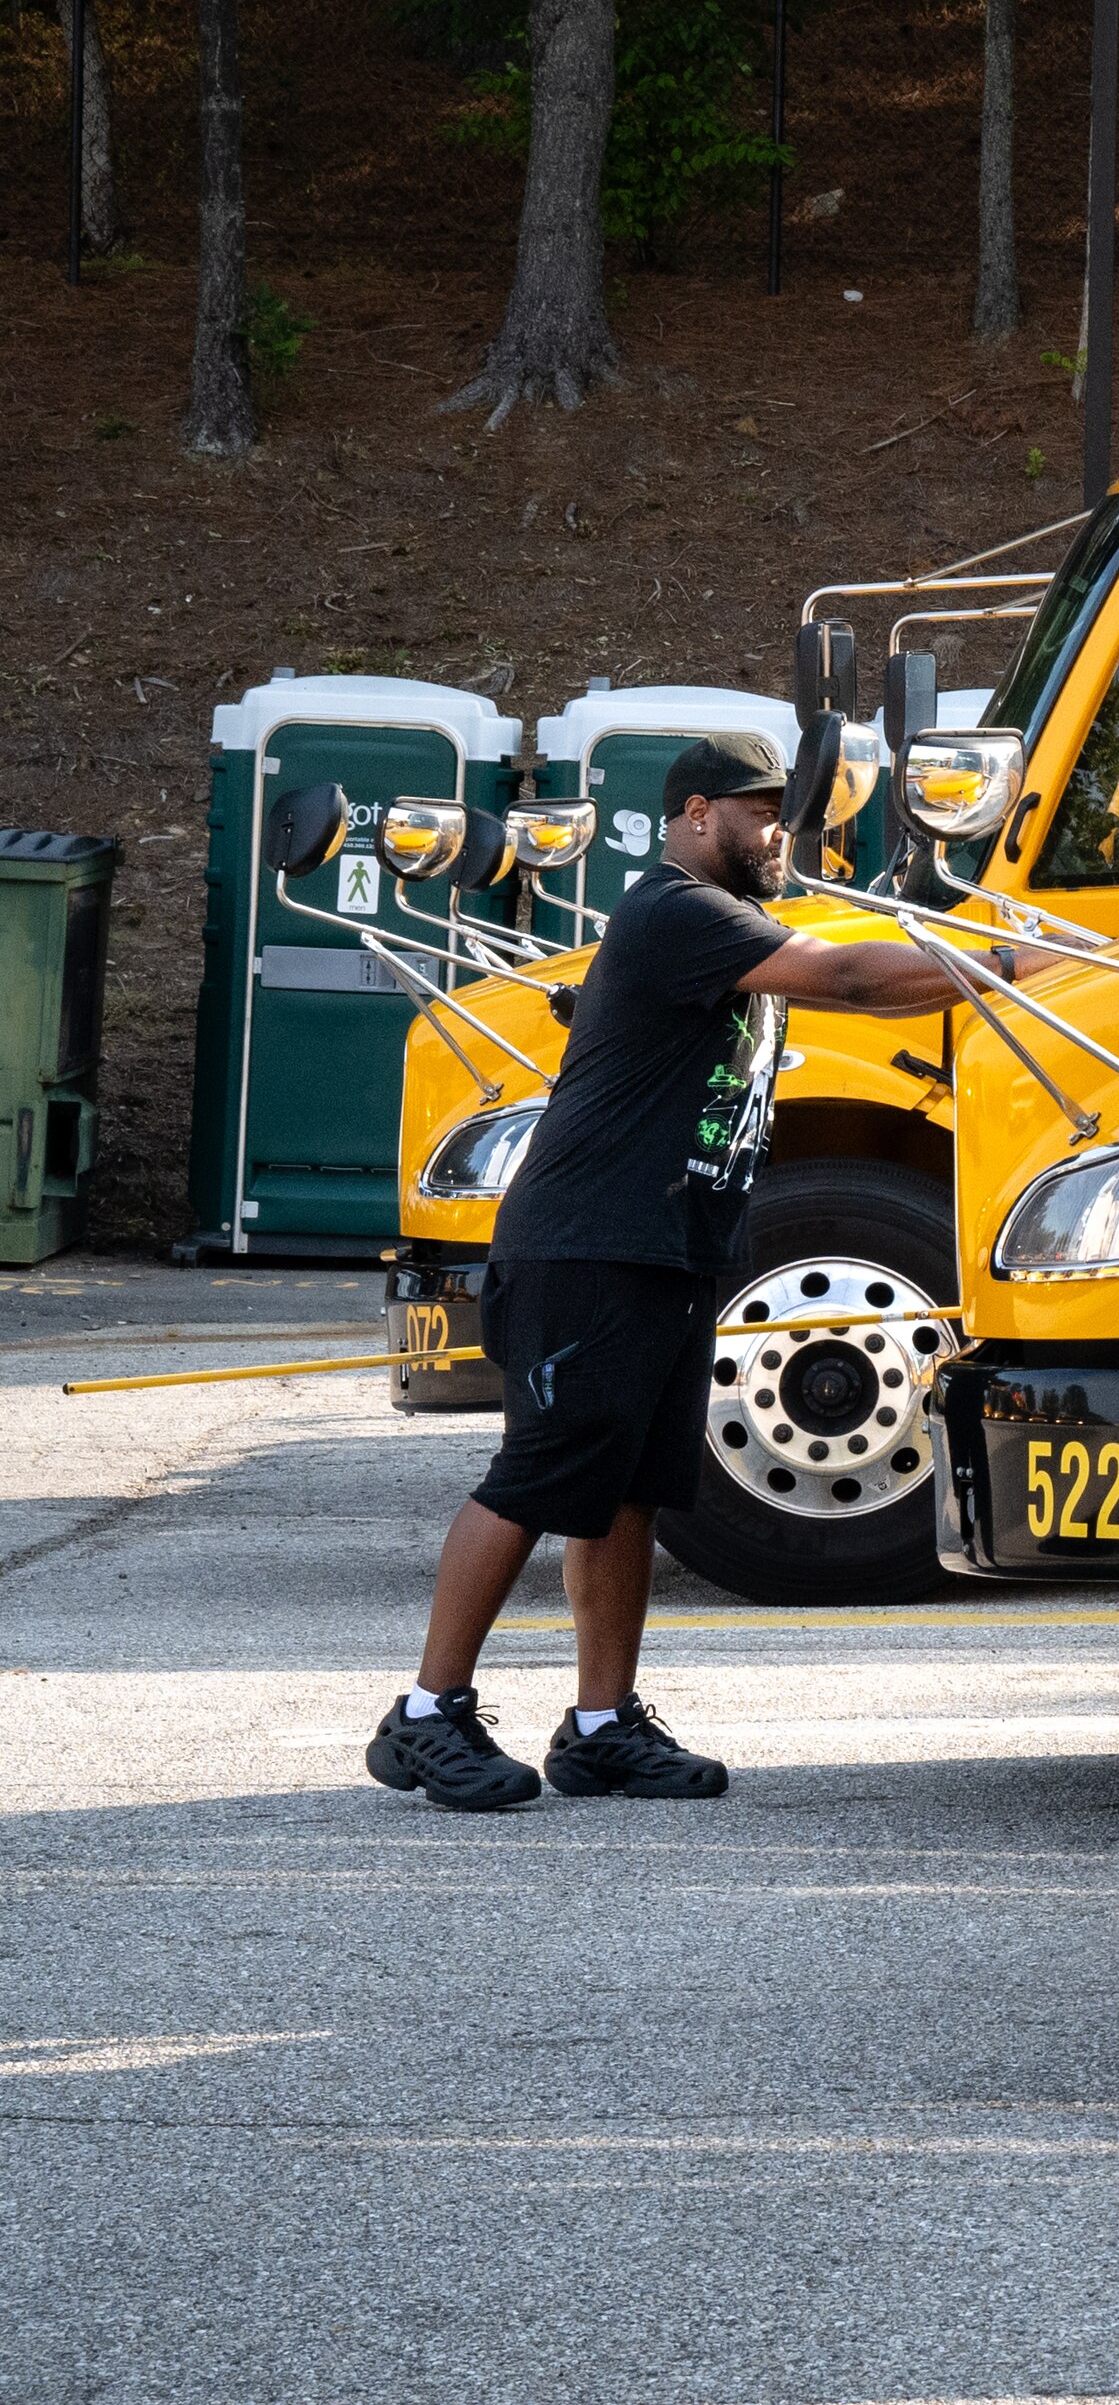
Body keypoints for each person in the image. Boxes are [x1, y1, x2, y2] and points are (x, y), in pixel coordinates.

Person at [367, 741, 1019, 1812]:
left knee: (632, 1491)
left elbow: (856, 955)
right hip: (587, 1244)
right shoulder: (674, 909)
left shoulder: (733, 925)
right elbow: (853, 979)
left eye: (786, 819)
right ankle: (426, 1713)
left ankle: (599, 1725)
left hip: (667, 1249)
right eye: (762, 815)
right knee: (539, 1474)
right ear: (696, 812)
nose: (779, 837)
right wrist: (1013, 967)